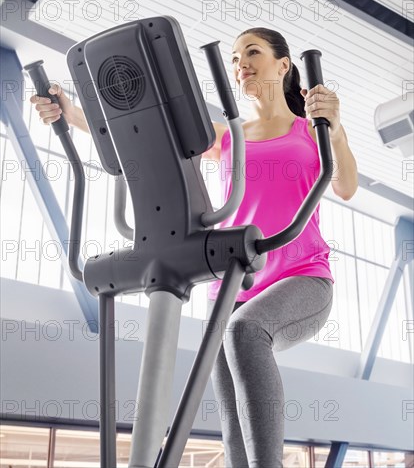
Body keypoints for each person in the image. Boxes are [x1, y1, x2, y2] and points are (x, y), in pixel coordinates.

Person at [31, 27, 358, 467]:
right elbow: (145, 139)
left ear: (283, 65)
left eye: (252, 52)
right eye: (235, 56)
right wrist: (70, 113)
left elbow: (346, 186)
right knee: (227, 402)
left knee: (244, 332)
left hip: (303, 279)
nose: (240, 62)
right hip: (234, 284)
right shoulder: (230, 137)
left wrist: (333, 129)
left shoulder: (309, 131)